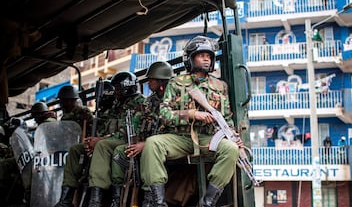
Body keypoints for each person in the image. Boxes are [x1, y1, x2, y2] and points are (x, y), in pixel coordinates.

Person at [140, 35, 240, 207]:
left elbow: (227, 117)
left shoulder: (220, 86)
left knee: (231, 149)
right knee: (152, 144)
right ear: (191, 58)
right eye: (202, 55)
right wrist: (191, 114)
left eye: (209, 56)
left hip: (208, 139)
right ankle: (158, 202)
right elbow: (164, 113)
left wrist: (232, 134)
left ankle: (208, 201)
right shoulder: (176, 83)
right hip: (181, 138)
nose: (206, 59)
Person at [111, 61, 173, 207]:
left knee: (148, 151)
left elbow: (172, 128)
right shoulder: (150, 101)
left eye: (151, 79)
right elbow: (142, 122)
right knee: (120, 152)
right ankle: (116, 197)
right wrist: (136, 141)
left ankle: (149, 198)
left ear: (161, 80)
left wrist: (144, 144)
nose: (148, 83)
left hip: (163, 142)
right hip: (147, 140)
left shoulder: (172, 97)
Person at [86, 71, 145, 207]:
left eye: (118, 88)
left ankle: (96, 201)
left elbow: (128, 131)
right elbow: (106, 126)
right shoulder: (117, 104)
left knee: (102, 146)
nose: (115, 92)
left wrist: (100, 141)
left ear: (127, 86)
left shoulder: (139, 102)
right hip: (113, 140)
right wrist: (93, 140)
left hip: (129, 141)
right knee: (79, 148)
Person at [54, 84, 107, 207]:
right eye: (63, 101)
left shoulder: (83, 112)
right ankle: (65, 200)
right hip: (67, 147)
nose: (64, 104)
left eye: (67, 101)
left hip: (86, 143)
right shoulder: (64, 117)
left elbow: (91, 130)